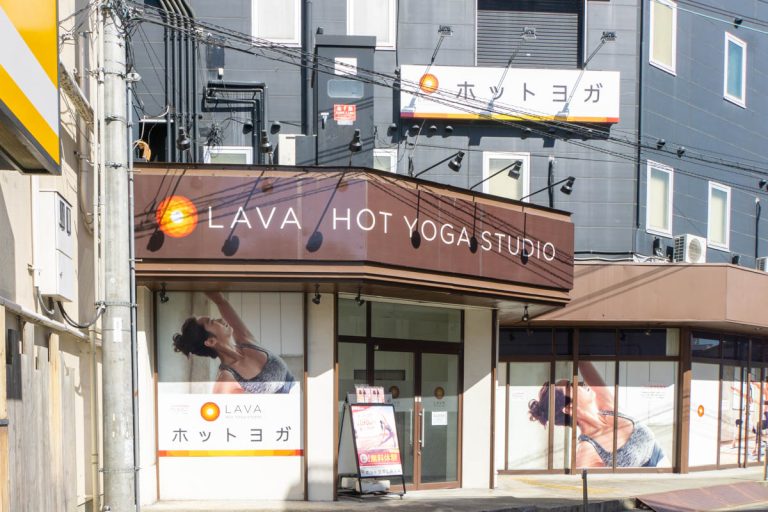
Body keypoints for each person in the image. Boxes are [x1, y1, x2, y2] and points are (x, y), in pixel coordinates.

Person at [528, 361, 665, 468]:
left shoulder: (606, 406)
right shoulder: (586, 451)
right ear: (568, 408)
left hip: (671, 478)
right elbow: (592, 489)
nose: (580, 382)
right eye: (571, 385)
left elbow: (583, 361)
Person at [172, 291, 295, 393]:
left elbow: (220, 301)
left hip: (303, 400)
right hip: (287, 413)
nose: (220, 320)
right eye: (212, 322)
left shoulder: (245, 340)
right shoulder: (226, 377)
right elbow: (220, 410)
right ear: (210, 341)